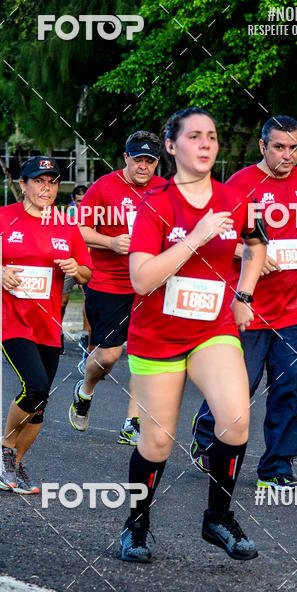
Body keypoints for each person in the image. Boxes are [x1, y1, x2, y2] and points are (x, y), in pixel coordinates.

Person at [119, 107, 267, 563]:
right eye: (194, 136)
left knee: (236, 420)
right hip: (157, 336)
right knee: (157, 441)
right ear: (171, 145)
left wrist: (244, 294)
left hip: (212, 330)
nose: (205, 144)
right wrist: (195, 237)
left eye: (212, 136)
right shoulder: (155, 203)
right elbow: (142, 279)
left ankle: (217, 518)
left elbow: (256, 244)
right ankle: (136, 525)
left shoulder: (235, 198)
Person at [191, 115, 297, 491]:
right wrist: (249, 253)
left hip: (293, 306)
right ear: (263, 146)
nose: (287, 155)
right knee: (240, 385)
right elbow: (213, 237)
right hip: (248, 305)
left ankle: (276, 468)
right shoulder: (240, 184)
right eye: (279, 147)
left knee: (288, 386)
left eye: (294, 148)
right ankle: (206, 435)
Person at [0, 156, 91, 492]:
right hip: (11, 319)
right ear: (23, 184)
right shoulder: (1, 218)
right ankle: (3, 448)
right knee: (36, 386)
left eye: (52, 182)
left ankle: (15, 464)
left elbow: (87, 273)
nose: (47, 188)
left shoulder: (66, 225)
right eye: (39, 181)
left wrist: (75, 269)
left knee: (40, 403)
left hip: (48, 324)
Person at [68, 131, 164, 445]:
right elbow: (78, 230)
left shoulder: (165, 190)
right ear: (126, 157)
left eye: (150, 161)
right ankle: (85, 390)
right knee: (109, 355)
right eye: (138, 160)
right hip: (109, 282)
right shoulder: (104, 188)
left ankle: (132, 422)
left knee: (144, 354)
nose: (143, 166)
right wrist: (110, 242)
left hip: (149, 285)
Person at [60, 184, 90, 356]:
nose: (82, 204)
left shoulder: (95, 215)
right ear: (73, 200)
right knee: (62, 300)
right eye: (79, 201)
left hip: (87, 263)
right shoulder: (66, 216)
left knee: (88, 300)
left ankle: (85, 336)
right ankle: (57, 332)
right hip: (69, 260)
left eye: (84, 200)